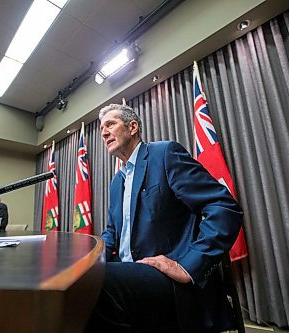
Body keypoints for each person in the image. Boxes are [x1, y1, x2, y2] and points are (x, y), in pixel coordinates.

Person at [85, 104, 243, 333]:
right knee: (80, 281)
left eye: (110, 124)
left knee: (95, 287)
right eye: (102, 128)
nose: (104, 132)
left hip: (166, 276)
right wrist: (88, 260)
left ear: (133, 127)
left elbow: (223, 206)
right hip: (129, 271)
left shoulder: (164, 154)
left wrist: (188, 265)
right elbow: (112, 232)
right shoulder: (117, 181)